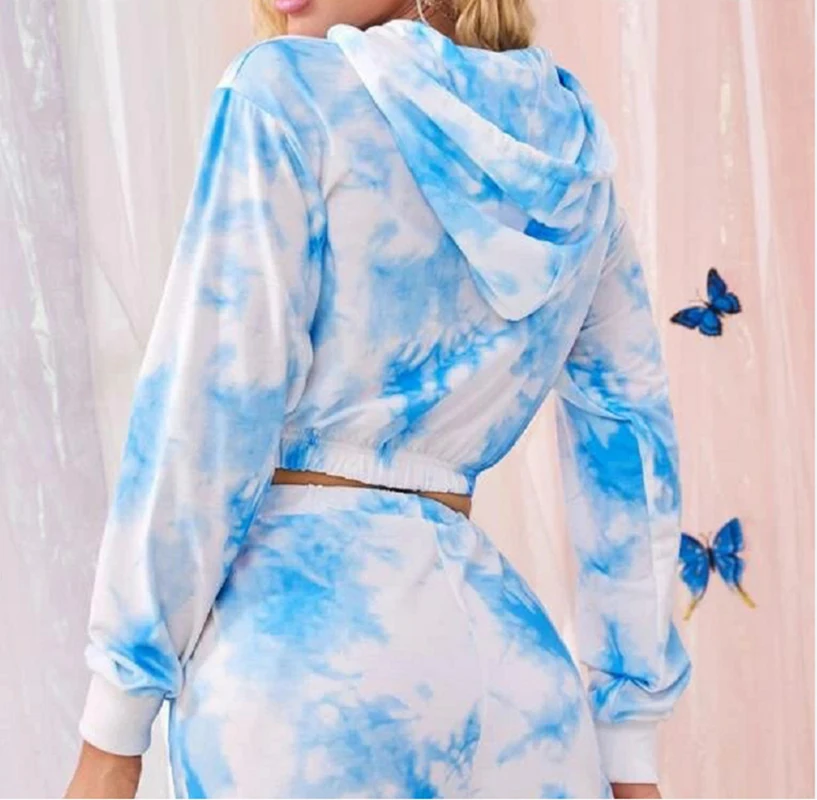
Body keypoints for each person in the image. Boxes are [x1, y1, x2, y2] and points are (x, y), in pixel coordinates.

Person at [65, 0, 692, 797]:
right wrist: (628, 752)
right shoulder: (572, 156)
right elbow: (630, 449)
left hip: (302, 677)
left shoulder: (285, 92)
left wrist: (114, 727)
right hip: (518, 691)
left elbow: (206, 411)